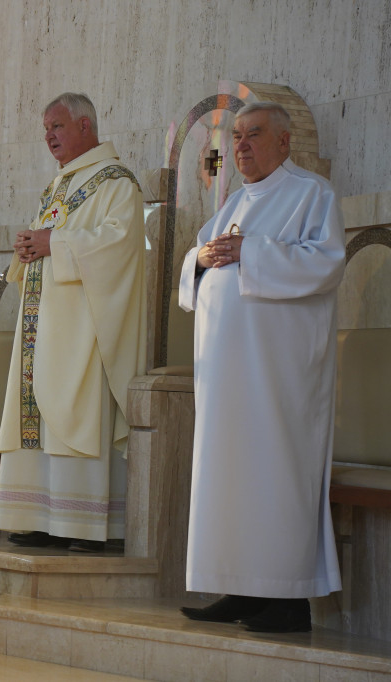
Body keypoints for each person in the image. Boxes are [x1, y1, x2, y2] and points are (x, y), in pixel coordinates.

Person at [178, 102, 344, 633]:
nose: (241, 146)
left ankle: (287, 599)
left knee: (274, 474)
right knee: (229, 474)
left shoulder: (311, 194)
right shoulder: (233, 201)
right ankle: (241, 587)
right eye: (237, 137)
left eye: (253, 135)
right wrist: (200, 261)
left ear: (283, 143)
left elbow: (325, 263)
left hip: (279, 374)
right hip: (227, 375)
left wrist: (253, 252)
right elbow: (199, 260)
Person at [0, 93, 145, 553]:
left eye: (56, 126)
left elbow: (118, 245)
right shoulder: (57, 187)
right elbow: (52, 241)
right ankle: (39, 515)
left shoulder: (117, 183)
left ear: (84, 125)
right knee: (37, 409)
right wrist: (30, 249)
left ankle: (81, 523)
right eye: (45, 129)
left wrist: (52, 242)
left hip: (84, 327)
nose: (48, 136)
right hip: (44, 324)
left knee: (77, 407)